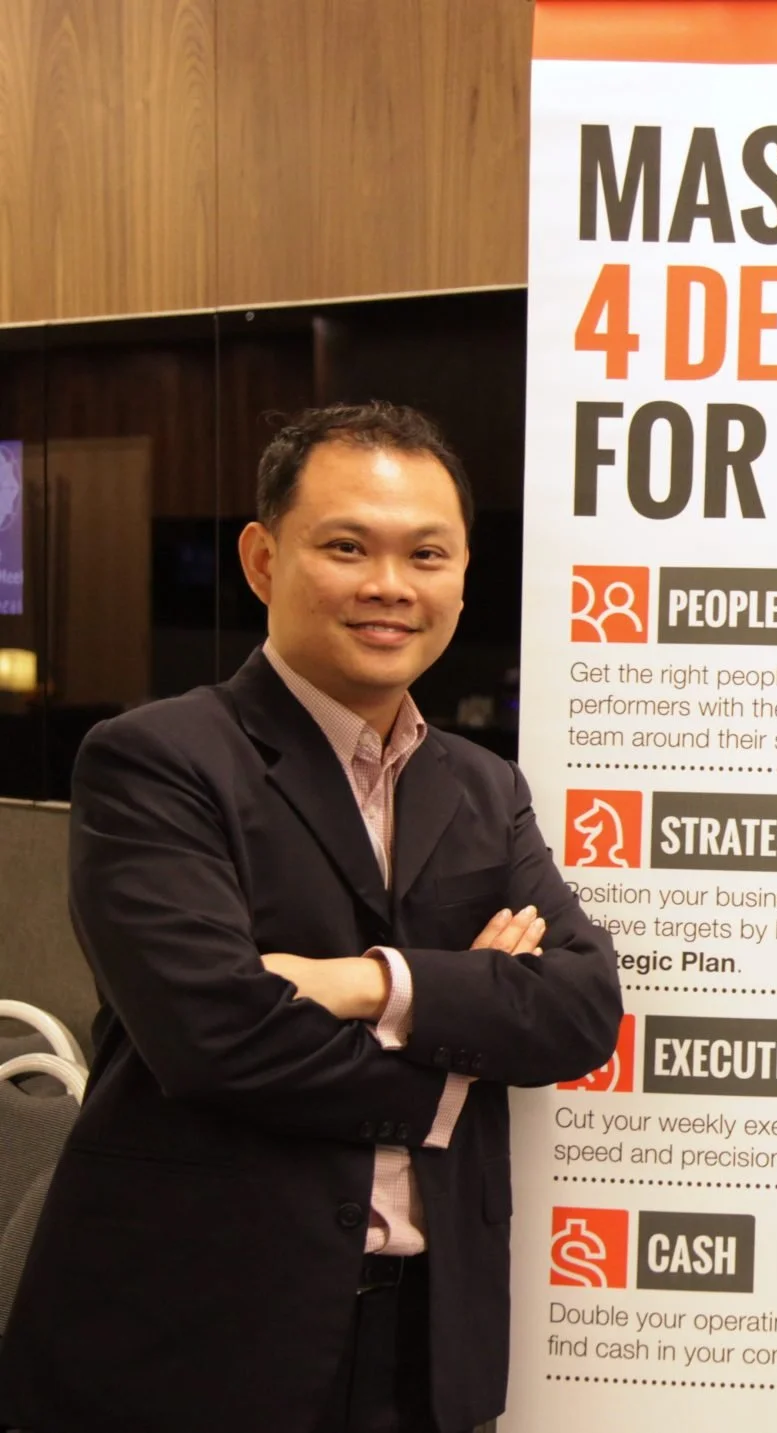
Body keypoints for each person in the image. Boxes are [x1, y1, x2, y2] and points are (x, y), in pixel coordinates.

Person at [0, 402, 622, 1433]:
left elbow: (583, 1008)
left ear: (464, 575)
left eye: (426, 553)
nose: (390, 584)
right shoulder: (157, 759)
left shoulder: (484, 786)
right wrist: (463, 1038)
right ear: (262, 558)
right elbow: (214, 1034)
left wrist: (368, 982)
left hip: (426, 1346)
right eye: (346, 546)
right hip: (192, 1341)